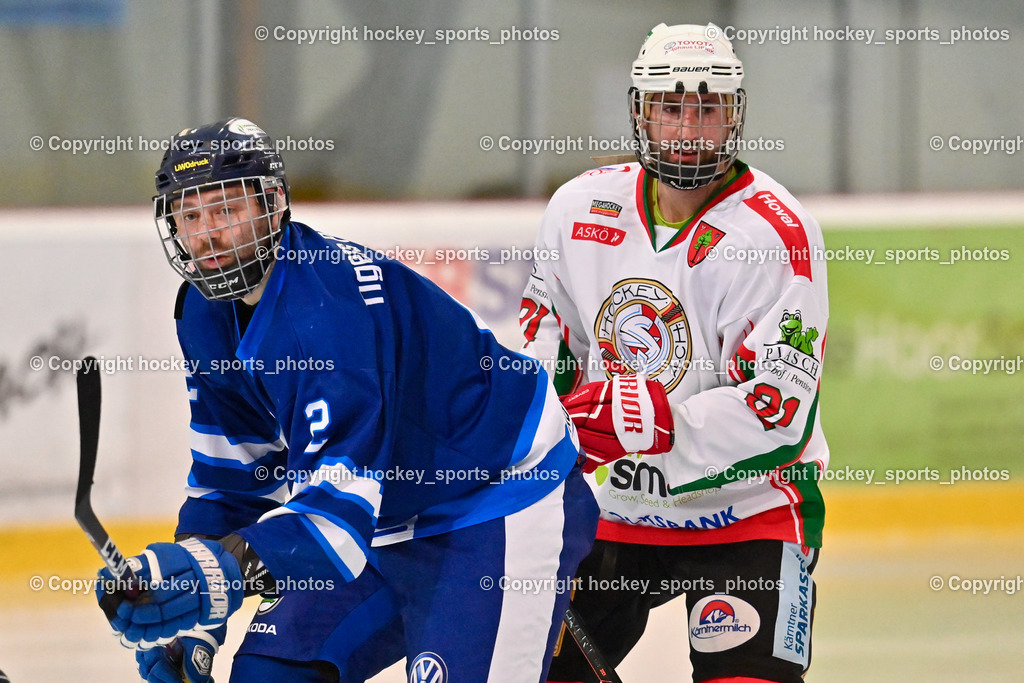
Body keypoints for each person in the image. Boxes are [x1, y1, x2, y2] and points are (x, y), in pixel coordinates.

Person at [95, 117, 599, 683]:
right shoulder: (203, 313)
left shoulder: (326, 313)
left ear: (273, 205)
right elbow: (232, 480)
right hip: (378, 513)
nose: (206, 234)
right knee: (270, 676)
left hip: (494, 502)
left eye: (225, 210)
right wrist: (194, 621)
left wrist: (211, 576)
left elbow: (337, 519)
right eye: (190, 216)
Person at [520, 23, 829, 683]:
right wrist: (538, 427)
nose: (688, 129)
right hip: (614, 512)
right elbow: (548, 346)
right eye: (670, 108)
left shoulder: (777, 233)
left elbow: (781, 411)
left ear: (734, 116)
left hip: (748, 513)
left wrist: (653, 421)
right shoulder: (578, 209)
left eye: (707, 109)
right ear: (641, 114)